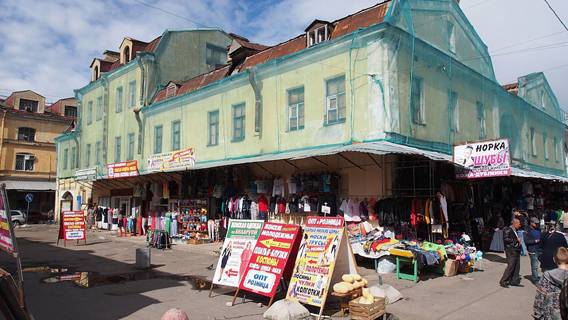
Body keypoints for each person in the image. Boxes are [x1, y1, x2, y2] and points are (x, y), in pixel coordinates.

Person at [533, 247, 568, 319]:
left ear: (554, 259)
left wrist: (537, 312)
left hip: (550, 311)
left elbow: (541, 295)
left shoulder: (547, 275)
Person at [500, 218, 522, 288]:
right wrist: (516, 240)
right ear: (514, 223)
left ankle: (514, 281)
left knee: (516, 266)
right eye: (518, 224)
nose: (520, 225)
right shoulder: (507, 229)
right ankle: (503, 281)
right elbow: (506, 239)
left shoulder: (515, 230)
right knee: (511, 266)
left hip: (516, 250)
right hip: (511, 250)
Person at [525, 217, 542, 283]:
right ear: (531, 223)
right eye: (536, 223)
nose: (537, 224)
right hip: (532, 250)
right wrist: (536, 241)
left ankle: (537, 276)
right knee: (534, 265)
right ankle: (535, 278)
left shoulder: (538, 229)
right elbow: (526, 241)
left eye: (538, 223)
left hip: (539, 249)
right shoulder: (527, 230)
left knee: (542, 264)